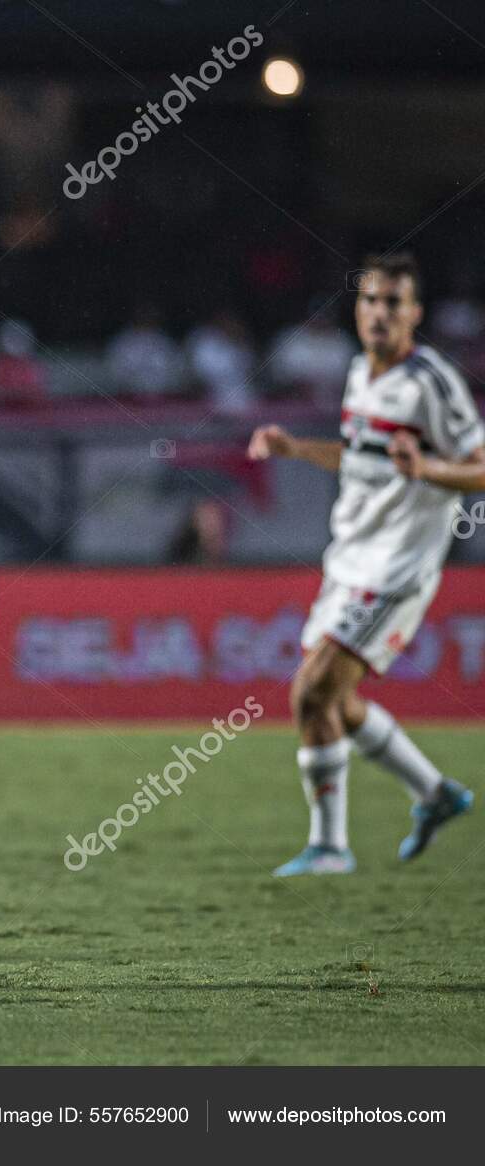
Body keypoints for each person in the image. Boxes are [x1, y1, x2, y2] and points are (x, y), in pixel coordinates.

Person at [248, 253, 481, 876]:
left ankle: (330, 848)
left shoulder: (430, 381)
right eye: (371, 301)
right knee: (334, 703)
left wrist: (428, 469)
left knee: (311, 691)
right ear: (358, 309)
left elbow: (480, 463)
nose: (380, 313)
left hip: (399, 564)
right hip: (348, 559)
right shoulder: (359, 374)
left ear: (415, 314)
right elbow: (360, 458)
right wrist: (294, 447)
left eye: (394, 303)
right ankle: (435, 794)